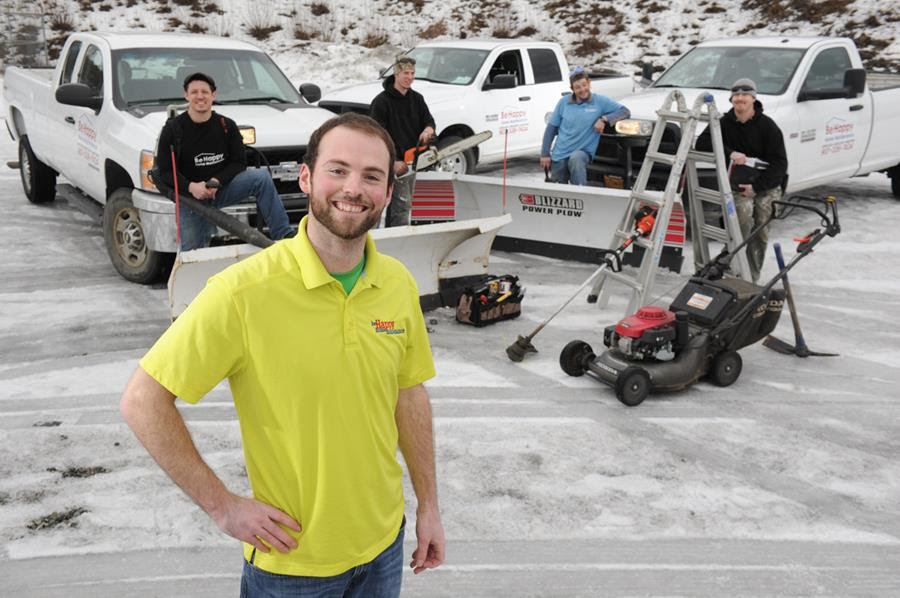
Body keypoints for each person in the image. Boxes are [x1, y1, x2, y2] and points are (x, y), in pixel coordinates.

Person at [121, 112, 445, 596]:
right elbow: (142, 401)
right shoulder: (243, 292)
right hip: (291, 565)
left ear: (388, 191)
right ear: (306, 177)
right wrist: (223, 507)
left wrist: (429, 506)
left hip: (383, 547)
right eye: (338, 170)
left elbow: (408, 392)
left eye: (371, 176)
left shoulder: (396, 282)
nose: (353, 188)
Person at [153, 72, 294, 250]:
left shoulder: (226, 125)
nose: (200, 96)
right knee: (192, 255)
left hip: (220, 189)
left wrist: (216, 181)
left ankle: (284, 237)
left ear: (213, 95)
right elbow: (164, 172)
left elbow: (239, 163)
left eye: (205, 92)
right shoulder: (172, 129)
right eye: (194, 92)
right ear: (186, 95)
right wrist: (191, 187)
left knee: (261, 177)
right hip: (189, 198)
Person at [697, 78, 788, 283]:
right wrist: (729, 152)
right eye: (736, 95)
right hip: (738, 182)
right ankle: (729, 265)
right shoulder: (724, 123)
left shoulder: (768, 126)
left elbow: (780, 164)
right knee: (742, 220)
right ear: (731, 99)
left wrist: (757, 187)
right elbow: (702, 143)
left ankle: (750, 278)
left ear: (753, 99)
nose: (740, 99)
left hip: (766, 183)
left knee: (761, 226)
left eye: (745, 95)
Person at [370, 56, 436, 226]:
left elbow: (429, 121)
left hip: (410, 162)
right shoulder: (381, 102)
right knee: (376, 205)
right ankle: (370, 238)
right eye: (406, 73)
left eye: (412, 73)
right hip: (387, 163)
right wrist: (393, 161)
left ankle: (396, 237)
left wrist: (428, 130)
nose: (410, 77)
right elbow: (377, 136)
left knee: (402, 206)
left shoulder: (417, 99)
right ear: (396, 74)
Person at [540, 67, 630, 186]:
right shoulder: (563, 102)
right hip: (560, 153)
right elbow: (551, 129)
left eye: (584, 85)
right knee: (557, 190)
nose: (582, 89)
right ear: (572, 89)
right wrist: (545, 154)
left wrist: (604, 119)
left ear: (589, 83)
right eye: (578, 87)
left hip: (582, 152)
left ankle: (580, 191)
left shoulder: (600, 101)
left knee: (576, 159)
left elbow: (625, 111)